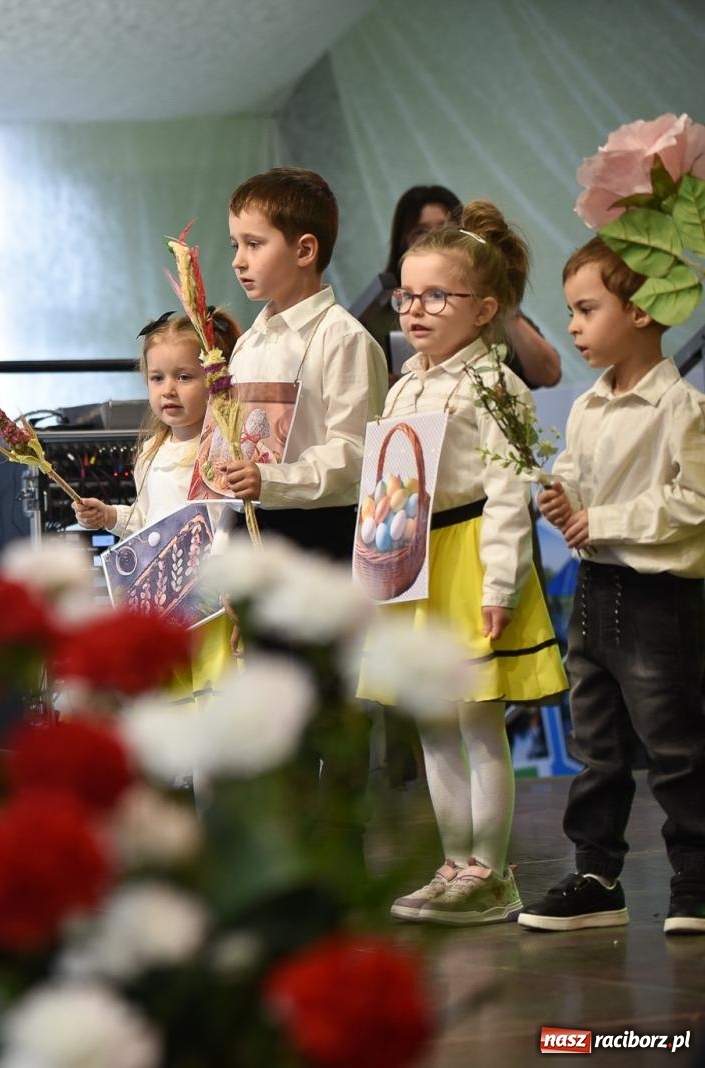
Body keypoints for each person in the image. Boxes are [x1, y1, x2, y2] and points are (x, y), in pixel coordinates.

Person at [364, 202, 567, 926]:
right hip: (417, 563)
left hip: (474, 560)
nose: (416, 310)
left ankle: (491, 869)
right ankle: (454, 864)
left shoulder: (497, 384)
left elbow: (513, 491)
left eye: (436, 296)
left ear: (484, 310)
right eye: (407, 295)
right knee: (433, 724)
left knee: (478, 722)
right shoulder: (403, 383)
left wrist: (503, 583)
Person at [517, 238, 705, 935]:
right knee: (597, 745)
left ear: (644, 311)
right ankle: (597, 874)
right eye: (571, 310)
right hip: (596, 594)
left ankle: (696, 878)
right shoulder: (590, 405)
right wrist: (561, 499)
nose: (573, 326)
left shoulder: (681, 408)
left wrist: (604, 517)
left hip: (658, 601)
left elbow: (694, 503)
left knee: (677, 747)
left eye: (587, 309)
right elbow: (574, 474)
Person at [219, 166, 389, 561]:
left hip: (318, 535)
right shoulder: (247, 343)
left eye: (254, 244)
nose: (238, 262)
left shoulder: (343, 339)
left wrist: (272, 480)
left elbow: (355, 454)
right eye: (235, 246)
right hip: (251, 526)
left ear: (304, 250)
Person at [72, 308, 243, 690]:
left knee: (213, 693)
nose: (168, 389)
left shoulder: (222, 448)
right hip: (164, 604)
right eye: (157, 378)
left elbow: (231, 522)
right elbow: (151, 525)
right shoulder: (152, 450)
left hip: (210, 602)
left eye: (184, 377)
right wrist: (111, 517)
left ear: (215, 378)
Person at [362, 185, 562, 389]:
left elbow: (548, 374)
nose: (434, 238)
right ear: (402, 241)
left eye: (443, 227)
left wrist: (507, 306)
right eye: (420, 232)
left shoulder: (489, 311)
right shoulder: (378, 318)